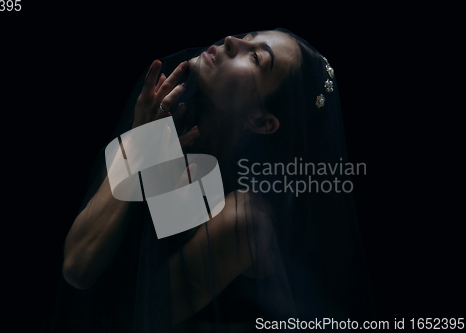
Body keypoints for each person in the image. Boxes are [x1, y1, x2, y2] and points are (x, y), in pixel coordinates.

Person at [42, 28, 375, 332]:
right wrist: (142, 140)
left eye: (256, 57)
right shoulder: (164, 122)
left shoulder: (246, 218)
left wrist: (141, 145)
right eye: (248, 35)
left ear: (260, 121)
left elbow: (127, 317)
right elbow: (76, 264)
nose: (232, 40)